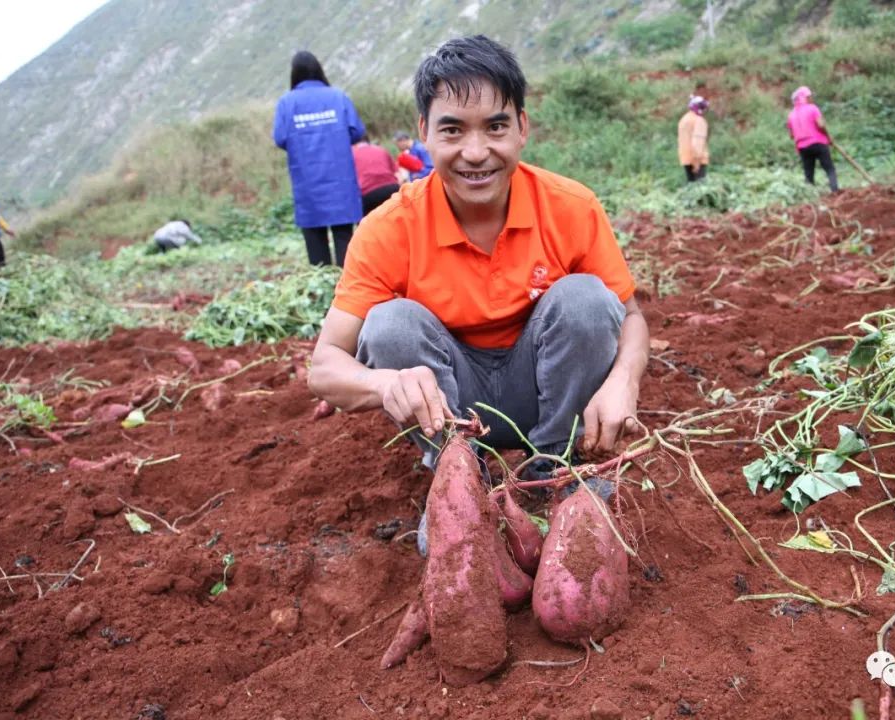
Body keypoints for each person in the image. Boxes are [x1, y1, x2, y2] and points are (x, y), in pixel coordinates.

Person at [309, 35, 649, 483]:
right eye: (453, 130)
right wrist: (385, 383)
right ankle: (460, 476)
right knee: (391, 324)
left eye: (495, 127)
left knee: (586, 300)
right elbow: (325, 364)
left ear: (522, 127)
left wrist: (624, 380)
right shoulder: (389, 228)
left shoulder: (571, 207)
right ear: (425, 132)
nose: (475, 153)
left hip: (547, 395)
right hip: (450, 404)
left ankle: (558, 467)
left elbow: (631, 318)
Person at [274, 51, 365, 266]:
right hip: (340, 182)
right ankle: (348, 283)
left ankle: (322, 280)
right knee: (344, 237)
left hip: (308, 184)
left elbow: (280, 138)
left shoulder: (287, 103)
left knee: (315, 239)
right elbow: (357, 131)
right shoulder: (338, 97)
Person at [786, 86, 839, 193]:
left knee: (809, 174)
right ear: (804, 98)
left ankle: (810, 196)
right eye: (809, 96)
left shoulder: (791, 115)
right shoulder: (812, 108)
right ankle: (835, 191)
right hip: (818, 143)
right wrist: (828, 137)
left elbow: (791, 136)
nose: (811, 98)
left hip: (803, 148)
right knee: (829, 168)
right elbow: (821, 125)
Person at [352, 135, 402, 216]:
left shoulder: (351, 155)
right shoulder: (380, 150)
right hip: (391, 188)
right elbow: (398, 174)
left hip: (368, 193)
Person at [677, 96, 710, 182]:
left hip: (685, 158)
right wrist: (697, 163)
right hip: (698, 160)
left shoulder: (683, 120)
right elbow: (697, 143)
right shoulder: (699, 121)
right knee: (700, 187)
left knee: (691, 185)